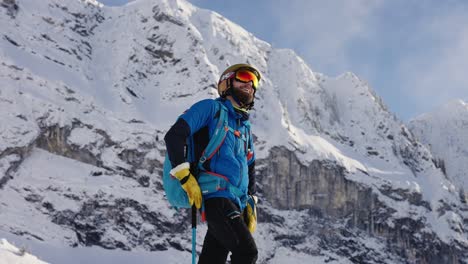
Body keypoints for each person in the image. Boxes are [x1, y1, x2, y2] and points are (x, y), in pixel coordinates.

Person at [164, 63, 261, 264]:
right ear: (227, 82)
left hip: (235, 202)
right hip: (215, 196)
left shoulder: (245, 128)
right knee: (247, 253)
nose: (250, 84)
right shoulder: (210, 109)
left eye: (254, 82)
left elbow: (250, 164)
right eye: (244, 77)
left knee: (213, 258)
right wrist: (184, 175)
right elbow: (175, 135)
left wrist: (250, 201)